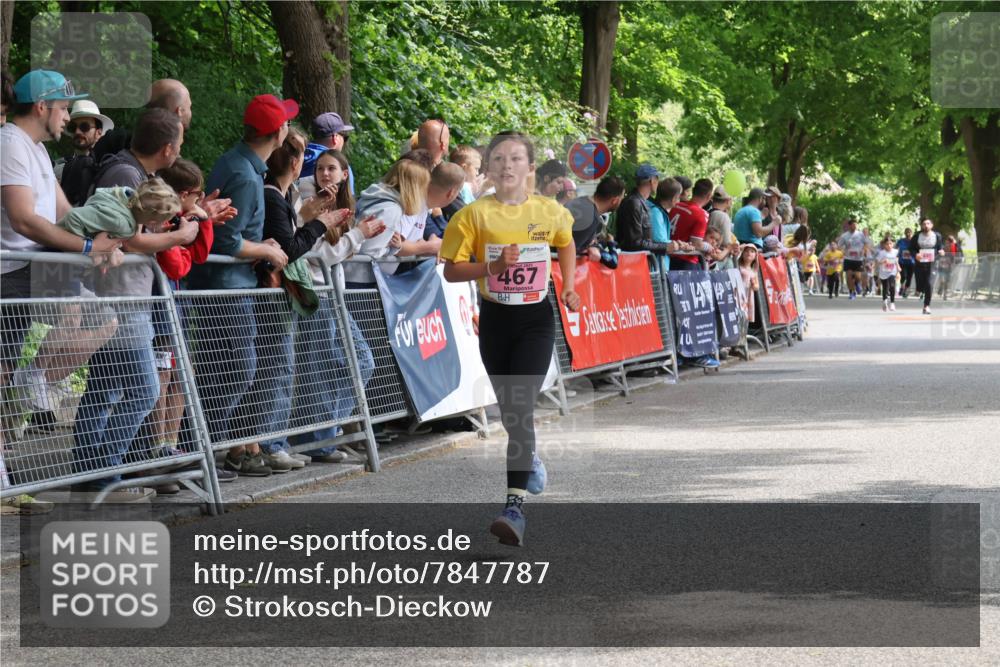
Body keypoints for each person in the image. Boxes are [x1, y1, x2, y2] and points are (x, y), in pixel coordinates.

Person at [440, 131, 580, 547]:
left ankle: (513, 508)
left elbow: (567, 244)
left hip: (536, 321)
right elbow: (451, 270)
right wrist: (492, 267)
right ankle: (529, 456)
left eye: (516, 158)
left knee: (519, 406)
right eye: (498, 158)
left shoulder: (549, 211)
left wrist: (568, 285)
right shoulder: (471, 216)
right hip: (496, 321)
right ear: (488, 167)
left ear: (530, 168)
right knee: (512, 414)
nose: (506, 166)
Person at [2, 71, 122, 433]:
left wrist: (107, 240)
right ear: (42, 106)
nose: (68, 118)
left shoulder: (36, 149)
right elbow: (24, 220)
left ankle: (32, 380)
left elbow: (66, 213)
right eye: (64, 108)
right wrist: (88, 248)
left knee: (103, 319)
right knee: (80, 312)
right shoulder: (9, 143)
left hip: (30, 267)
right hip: (10, 271)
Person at [186, 94, 295, 476]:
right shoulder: (246, 176)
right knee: (235, 369)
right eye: (286, 123)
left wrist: (260, 245)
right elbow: (225, 241)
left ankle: (203, 450)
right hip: (228, 289)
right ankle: (200, 450)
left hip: (227, 286)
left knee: (222, 370)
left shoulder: (240, 163)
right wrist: (269, 252)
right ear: (277, 132)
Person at [64, 179, 182, 500]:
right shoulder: (125, 221)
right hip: (125, 315)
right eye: (163, 219)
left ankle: (89, 474)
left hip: (107, 309)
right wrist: (177, 236)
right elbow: (130, 242)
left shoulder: (116, 204)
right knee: (145, 390)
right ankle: (105, 472)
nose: (163, 226)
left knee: (101, 393)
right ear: (152, 214)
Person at [250, 127, 349, 473]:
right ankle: (270, 444)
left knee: (284, 369)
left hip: (286, 291)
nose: (315, 170)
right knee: (278, 369)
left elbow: (289, 240)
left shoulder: (285, 194)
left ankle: (274, 442)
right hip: (276, 291)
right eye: (306, 158)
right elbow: (291, 250)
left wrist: (307, 218)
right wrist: (318, 224)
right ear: (294, 163)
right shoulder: (273, 196)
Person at [288, 147, 384, 463]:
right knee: (319, 371)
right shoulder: (306, 201)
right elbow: (318, 256)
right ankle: (320, 440)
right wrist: (358, 235)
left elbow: (338, 252)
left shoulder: (345, 205)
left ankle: (326, 433)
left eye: (332, 169)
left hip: (334, 295)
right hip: (316, 293)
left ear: (345, 175)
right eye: (320, 169)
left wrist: (360, 234)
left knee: (363, 361)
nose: (325, 174)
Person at [344, 155, 434, 286]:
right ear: (415, 188)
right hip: (360, 278)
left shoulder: (376, 197)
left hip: (350, 273)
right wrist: (392, 250)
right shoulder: (391, 210)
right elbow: (370, 251)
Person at [56, 99, 114, 206]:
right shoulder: (59, 168)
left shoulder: (108, 168)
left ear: (99, 133)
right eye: (73, 127)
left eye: (84, 127)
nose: (78, 132)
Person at [565, 175, 625, 258]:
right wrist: (588, 250)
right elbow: (568, 252)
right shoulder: (591, 218)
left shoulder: (579, 201)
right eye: (621, 199)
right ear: (615, 200)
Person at [617, 164, 672, 255]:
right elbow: (635, 243)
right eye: (657, 179)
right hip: (632, 263)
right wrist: (665, 247)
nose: (658, 182)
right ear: (652, 181)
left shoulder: (639, 202)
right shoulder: (634, 203)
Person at [301, 112, 355, 195]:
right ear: (335, 138)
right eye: (344, 137)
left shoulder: (296, 158)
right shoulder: (340, 166)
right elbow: (347, 201)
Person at [669, 178, 714, 271]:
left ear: (693, 191)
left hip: (668, 257)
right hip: (686, 262)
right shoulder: (701, 214)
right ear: (709, 195)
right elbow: (696, 244)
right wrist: (708, 247)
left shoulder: (676, 205)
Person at [423, 162, 466, 241]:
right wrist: (439, 219)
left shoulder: (424, 206)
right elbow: (449, 241)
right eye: (458, 192)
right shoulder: (419, 208)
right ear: (451, 193)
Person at [912, 218, 943, 314]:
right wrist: (915, 254)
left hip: (932, 263)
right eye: (924, 224)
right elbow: (911, 248)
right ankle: (919, 289)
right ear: (921, 226)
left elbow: (940, 247)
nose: (926, 225)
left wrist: (941, 251)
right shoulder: (917, 235)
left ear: (932, 225)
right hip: (920, 263)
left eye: (928, 223)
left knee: (929, 284)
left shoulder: (937, 235)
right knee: (921, 284)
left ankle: (926, 305)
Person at [837, 218, 871, 300]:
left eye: (856, 225)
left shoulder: (861, 235)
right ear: (849, 226)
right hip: (848, 258)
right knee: (848, 275)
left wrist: (863, 251)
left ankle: (857, 284)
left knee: (857, 276)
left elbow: (866, 244)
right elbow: (839, 246)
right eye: (853, 225)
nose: (855, 226)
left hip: (858, 259)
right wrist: (843, 251)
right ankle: (852, 292)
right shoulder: (845, 236)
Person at [875, 237, 899, 312]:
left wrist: (898, 268)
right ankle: (884, 302)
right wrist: (883, 262)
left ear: (893, 244)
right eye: (887, 244)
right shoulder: (882, 253)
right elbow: (877, 262)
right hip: (884, 272)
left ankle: (892, 303)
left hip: (892, 271)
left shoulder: (896, 252)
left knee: (892, 285)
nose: (889, 245)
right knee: (885, 287)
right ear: (884, 245)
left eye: (890, 244)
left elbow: (896, 261)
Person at [737, 244, 759, 323]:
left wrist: (754, 284)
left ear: (755, 255)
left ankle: (744, 331)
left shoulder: (754, 270)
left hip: (748, 295)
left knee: (745, 316)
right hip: (738, 294)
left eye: (752, 251)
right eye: (746, 251)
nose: (749, 253)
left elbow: (757, 287)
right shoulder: (738, 266)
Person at [937, 234, 963, 300]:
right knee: (942, 280)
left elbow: (959, 255)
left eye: (951, 241)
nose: (949, 243)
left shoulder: (956, 247)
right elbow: (938, 254)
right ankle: (941, 286)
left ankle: (945, 294)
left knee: (947, 280)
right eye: (948, 241)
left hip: (950, 266)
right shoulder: (943, 247)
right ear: (946, 241)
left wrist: (956, 261)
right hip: (942, 265)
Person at [896, 227, 915, 298]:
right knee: (903, 276)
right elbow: (896, 248)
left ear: (911, 233)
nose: (908, 234)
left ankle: (906, 290)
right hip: (902, 261)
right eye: (907, 232)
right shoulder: (901, 241)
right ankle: (902, 286)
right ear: (905, 233)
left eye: (909, 232)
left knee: (909, 277)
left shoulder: (914, 241)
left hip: (911, 262)